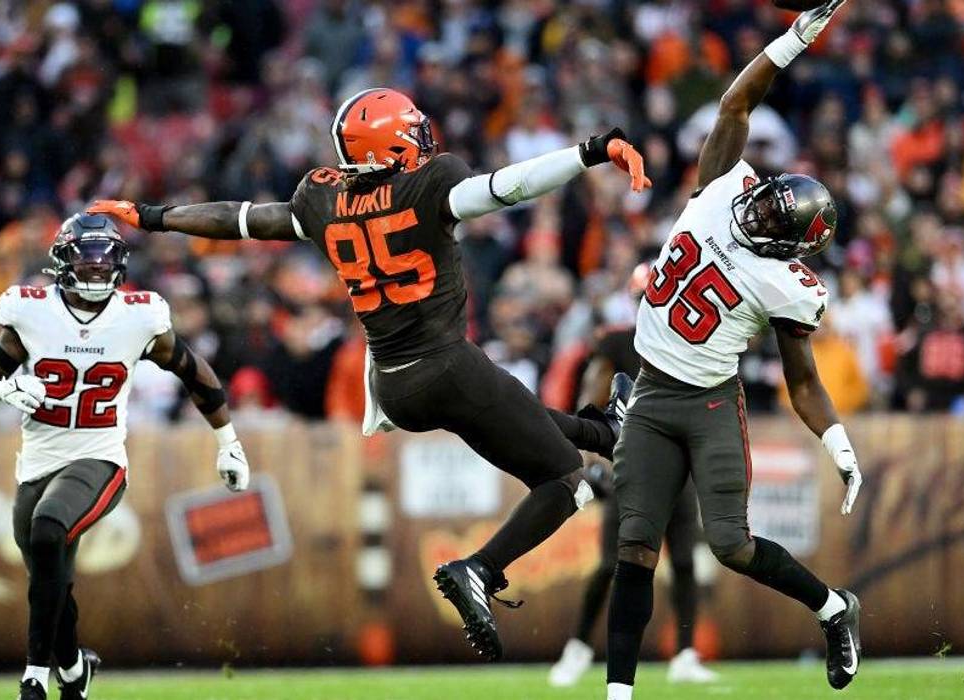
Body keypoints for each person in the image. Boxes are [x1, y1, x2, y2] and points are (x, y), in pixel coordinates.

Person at [88, 87, 652, 660]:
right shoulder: (430, 184)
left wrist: (156, 217)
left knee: (530, 423)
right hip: (448, 365)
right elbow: (509, 186)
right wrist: (591, 150)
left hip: (394, 384)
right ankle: (479, 569)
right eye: (410, 129)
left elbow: (243, 221)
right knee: (566, 483)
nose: (423, 138)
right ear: (389, 144)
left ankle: (605, 431)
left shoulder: (324, 200)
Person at [603, 3, 865, 699]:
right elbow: (736, 100)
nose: (759, 212)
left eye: (774, 220)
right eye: (768, 200)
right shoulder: (725, 185)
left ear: (789, 248)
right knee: (632, 545)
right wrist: (794, 39)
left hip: (709, 401)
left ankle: (832, 607)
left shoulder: (786, 285)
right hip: (650, 386)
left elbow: (801, 378)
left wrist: (836, 442)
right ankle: (616, 694)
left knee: (731, 545)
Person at [0, 213, 252, 700]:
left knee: (50, 529)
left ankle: (34, 678)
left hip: (99, 459)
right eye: (87, 259)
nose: (97, 271)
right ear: (62, 262)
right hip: (36, 462)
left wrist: (230, 442)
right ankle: (74, 672)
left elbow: (192, 369)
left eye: (105, 260)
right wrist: (5, 388)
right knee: (50, 576)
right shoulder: (31, 312)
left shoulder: (138, 316)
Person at [549, 265, 716, 687]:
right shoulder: (620, 343)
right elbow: (593, 395)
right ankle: (578, 647)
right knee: (612, 564)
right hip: (634, 465)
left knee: (683, 561)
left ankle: (685, 653)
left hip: (679, 465)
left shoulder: (690, 345)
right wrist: (596, 454)